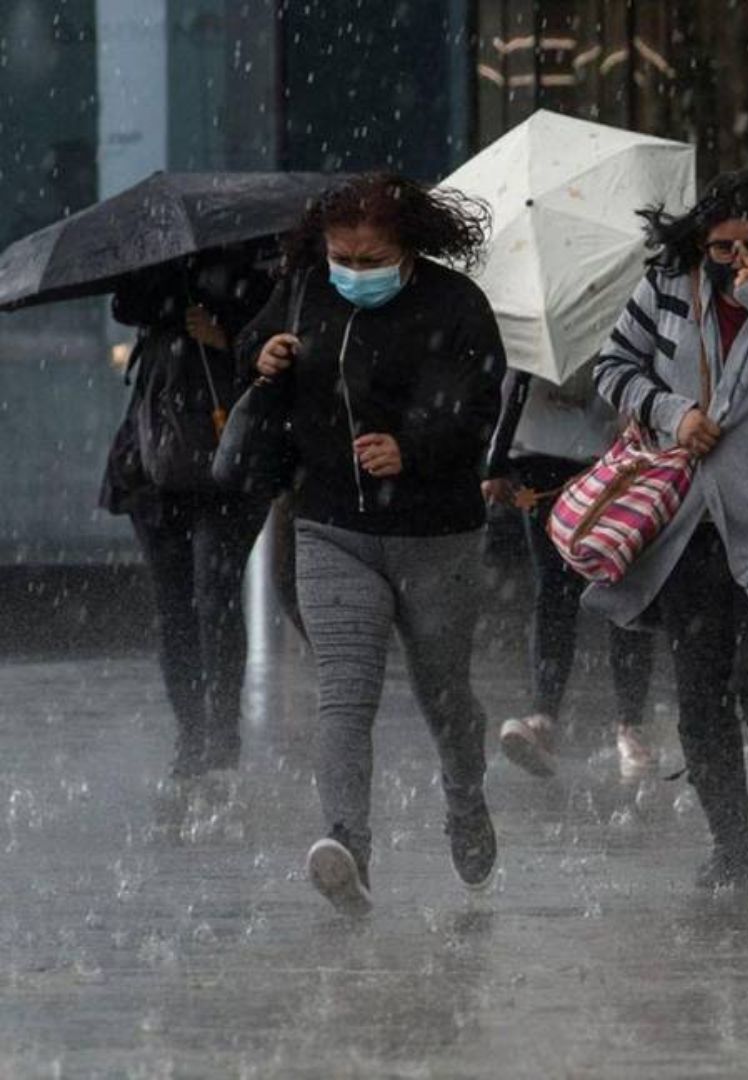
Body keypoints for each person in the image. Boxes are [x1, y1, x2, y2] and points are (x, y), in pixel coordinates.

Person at [236, 173, 506, 914]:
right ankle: (347, 846)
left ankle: (465, 800)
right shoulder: (303, 289)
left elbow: (481, 403)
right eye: (342, 255)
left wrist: (413, 447)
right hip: (331, 526)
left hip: (435, 534)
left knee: (444, 695)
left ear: (408, 247)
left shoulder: (456, 305)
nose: (355, 270)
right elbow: (249, 348)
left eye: (372, 256)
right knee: (345, 697)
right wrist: (264, 356)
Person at [590, 170, 748, 889]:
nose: (738, 259)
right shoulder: (666, 288)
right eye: (723, 246)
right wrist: (672, 413)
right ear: (698, 242)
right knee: (700, 694)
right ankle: (729, 839)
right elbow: (612, 367)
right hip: (685, 523)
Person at [100, 250, 274, 778]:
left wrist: (227, 335)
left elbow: (286, 348)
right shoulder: (156, 269)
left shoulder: (259, 272)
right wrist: (175, 285)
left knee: (213, 596)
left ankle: (220, 733)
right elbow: (125, 306)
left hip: (228, 465)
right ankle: (192, 734)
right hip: (156, 464)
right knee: (174, 605)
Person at [483, 367, 657, 782]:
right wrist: (496, 461)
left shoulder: (629, 312)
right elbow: (517, 378)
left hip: (611, 459)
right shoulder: (538, 316)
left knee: (618, 585)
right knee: (557, 588)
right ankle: (547, 716)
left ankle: (629, 723)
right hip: (546, 460)